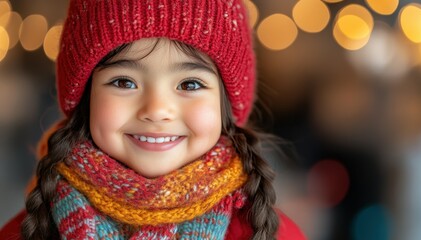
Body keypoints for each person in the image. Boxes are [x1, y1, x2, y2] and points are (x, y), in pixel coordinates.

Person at [0, 0, 306, 239]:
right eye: (124, 82)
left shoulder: (272, 234)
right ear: (85, 99)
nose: (157, 109)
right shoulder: (32, 230)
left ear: (225, 105)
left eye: (189, 84)